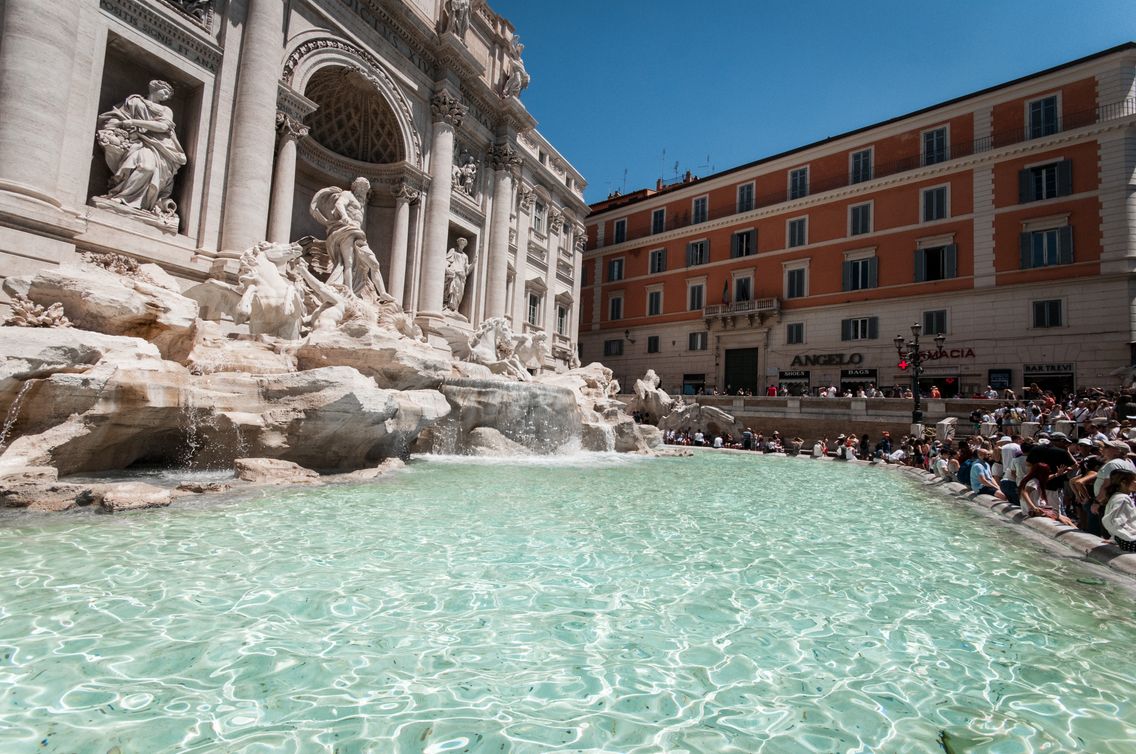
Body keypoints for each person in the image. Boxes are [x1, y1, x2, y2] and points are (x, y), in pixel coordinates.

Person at [95, 79, 187, 216]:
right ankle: (121, 197)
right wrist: (112, 128)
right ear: (154, 88)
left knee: (148, 168)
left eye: (169, 95)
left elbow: (163, 127)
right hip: (138, 142)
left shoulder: (166, 109)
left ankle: (139, 203)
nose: (167, 96)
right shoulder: (135, 101)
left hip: (162, 147)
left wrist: (133, 122)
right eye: (165, 92)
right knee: (146, 167)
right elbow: (117, 116)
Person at [310, 177, 393, 302]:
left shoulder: (361, 203)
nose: (363, 191)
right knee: (348, 262)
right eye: (361, 188)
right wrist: (344, 216)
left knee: (374, 263)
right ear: (355, 187)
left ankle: (382, 293)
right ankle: (349, 292)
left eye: (365, 189)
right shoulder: (347, 194)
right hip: (346, 230)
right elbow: (339, 204)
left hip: (358, 235)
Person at [1102, 469, 1136, 552]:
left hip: (1126, 541)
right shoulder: (1122, 498)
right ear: (1123, 482)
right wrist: (1128, 537)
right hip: (1130, 542)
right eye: (1134, 480)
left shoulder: (1117, 496)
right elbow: (1110, 520)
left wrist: (1115, 538)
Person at [444, 238, 472, 312]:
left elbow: (467, 268)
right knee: (452, 289)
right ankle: (449, 306)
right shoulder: (453, 250)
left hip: (461, 275)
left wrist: (474, 263)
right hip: (455, 272)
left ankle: (455, 308)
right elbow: (447, 260)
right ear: (458, 243)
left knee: (459, 292)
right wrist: (446, 267)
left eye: (463, 244)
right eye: (461, 243)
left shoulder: (465, 256)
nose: (462, 245)